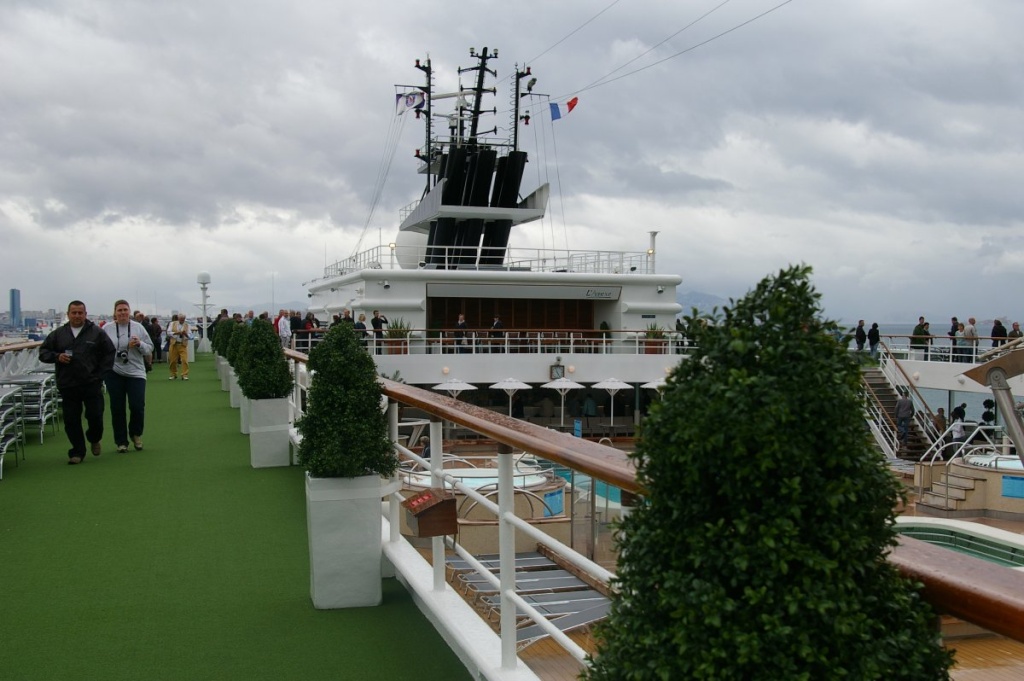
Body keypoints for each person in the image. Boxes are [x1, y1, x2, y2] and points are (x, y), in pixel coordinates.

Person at [38, 300, 115, 464]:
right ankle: (77, 451)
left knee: (95, 416)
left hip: (91, 383)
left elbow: (109, 353)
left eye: (80, 312)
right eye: (74, 312)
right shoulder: (58, 334)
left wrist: (101, 375)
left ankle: (94, 438)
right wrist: (57, 356)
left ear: (85, 314)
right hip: (68, 384)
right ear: (68, 314)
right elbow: (43, 352)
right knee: (71, 420)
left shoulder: (97, 333)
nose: (77, 315)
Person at [104, 300, 154, 453]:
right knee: (117, 407)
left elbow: (150, 348)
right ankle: (121, 441)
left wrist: (140, 344)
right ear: (115, 312)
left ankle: (136, 434)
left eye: (125, 310)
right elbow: (100, 349)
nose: (122, 313)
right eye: (119, 310)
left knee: (137, 406)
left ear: (129, 311)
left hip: (136, 372)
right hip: (114, 372)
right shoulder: (107, 328)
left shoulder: (138, 328)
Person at [167, 313, 192, 380]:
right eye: (181, 319)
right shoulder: (172, 324)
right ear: (178, 319)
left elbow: (190, 336)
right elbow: (168, 332)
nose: (182, 321)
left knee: (184, 360)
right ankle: (173, 374)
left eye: (183, 319)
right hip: (174, 344)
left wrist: (185, 334)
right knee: (172, 360)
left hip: (183, 345)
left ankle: (184, 375)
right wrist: (177, 333)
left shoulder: (187, 325)